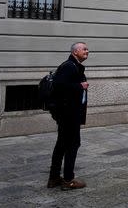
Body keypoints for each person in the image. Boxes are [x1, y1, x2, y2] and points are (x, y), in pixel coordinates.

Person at [47, 42, 89, 190]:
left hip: (68, 113)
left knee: (62, 144)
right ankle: (68, 179)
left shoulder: (73, 66)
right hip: (68, 114)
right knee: (72, 144)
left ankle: (54, 178)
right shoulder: (68, 66)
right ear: (75, 51)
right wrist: (80, 86)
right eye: (84, 49)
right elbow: (59, 86)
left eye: (87, 49)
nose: (87, 51)